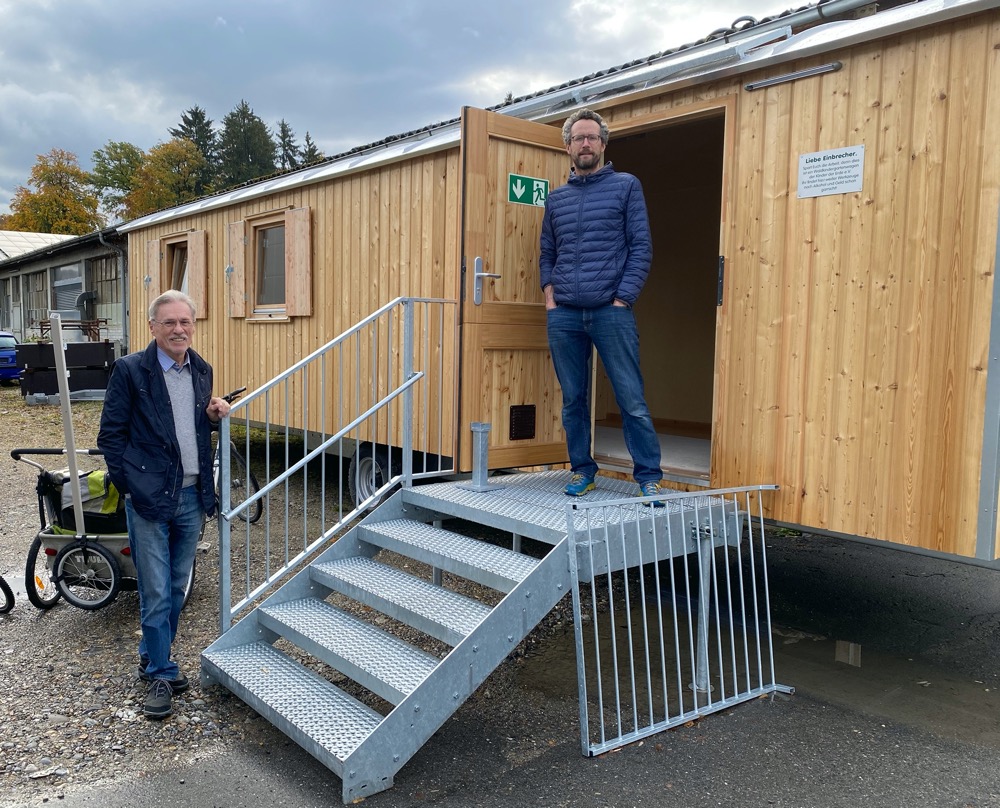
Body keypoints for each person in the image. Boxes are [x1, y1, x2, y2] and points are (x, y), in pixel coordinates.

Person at [98, 290, 230, 719]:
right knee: (155, 592)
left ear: (193, 325)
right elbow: (110, 437)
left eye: (185, 322)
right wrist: (132, 486)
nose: (178, 330)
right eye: (169, 322)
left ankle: (149, 652)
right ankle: (160, 671)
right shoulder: (131, 370)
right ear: (152, 326)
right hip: (150, 500)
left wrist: (212, 417)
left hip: (192, 495)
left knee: (176, 587)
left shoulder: (201, 370)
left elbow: (191, 428)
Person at [539, 108, 663, 502]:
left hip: (612, 311)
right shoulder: (556, 199)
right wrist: (550, 295)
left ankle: (649, 476)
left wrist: (623, 297)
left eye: (592, 137)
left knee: (631, 398)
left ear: (604, 144)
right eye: (579, 138)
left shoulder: (627, 186)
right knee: (573, 400)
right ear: (568, 146)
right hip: (566, 315)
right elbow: (546, 251)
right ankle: (582, 470)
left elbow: (641, 247)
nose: (586, 144)